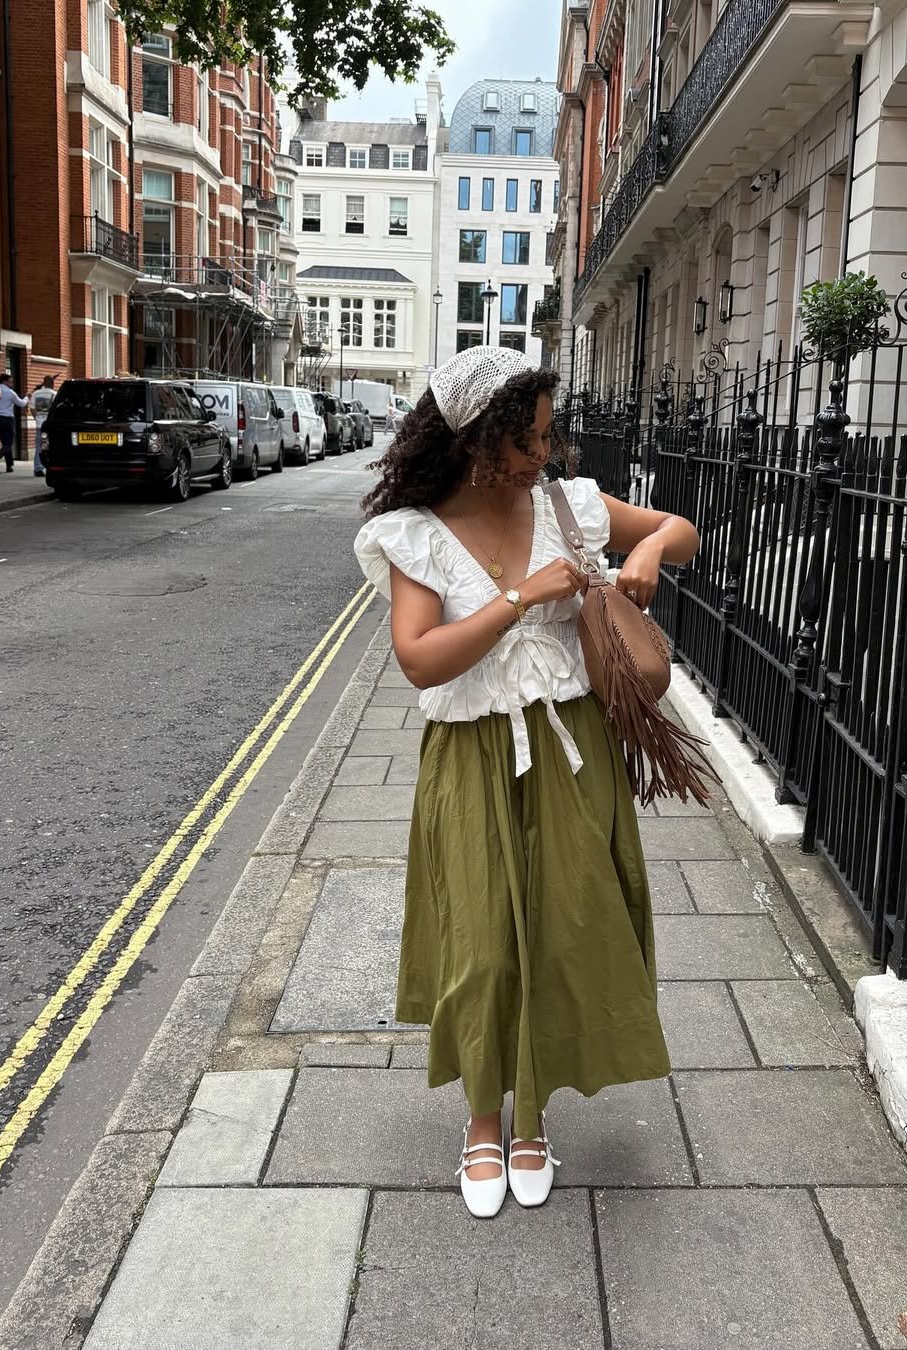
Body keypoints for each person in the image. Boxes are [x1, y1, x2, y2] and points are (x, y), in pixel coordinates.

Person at [354, 347, 700, 1219]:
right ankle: (481, 1120)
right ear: (477, 438)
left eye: (548, 434)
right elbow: (421, 662)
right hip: (472, 757)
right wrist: (519, 598)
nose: (544, 453)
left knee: (560, 932)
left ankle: (533, 1117)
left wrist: (652, 551)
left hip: (572, 747)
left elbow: (678, 527)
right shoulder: (417, 531)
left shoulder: (566, 504)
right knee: (480, 946)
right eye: (530, 438)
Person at [0, 371, 28, 474]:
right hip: (7, 419)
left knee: (5, 443)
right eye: (10, 382)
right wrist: (27, 396)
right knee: (8, 443)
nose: (12, 384)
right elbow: (22, 404)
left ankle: (9, 466)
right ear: (5, 382)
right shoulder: (10, 392)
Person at [30, 376, 57, 476]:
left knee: (39, 446)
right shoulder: (54, 394)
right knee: (52, 446)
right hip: (50, 425)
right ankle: (50, 466)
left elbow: (32, 408)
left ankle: (37, 468)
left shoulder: (36, 393)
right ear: (52, 383)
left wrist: (36, 418)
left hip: (39, 425)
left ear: (44, 383)